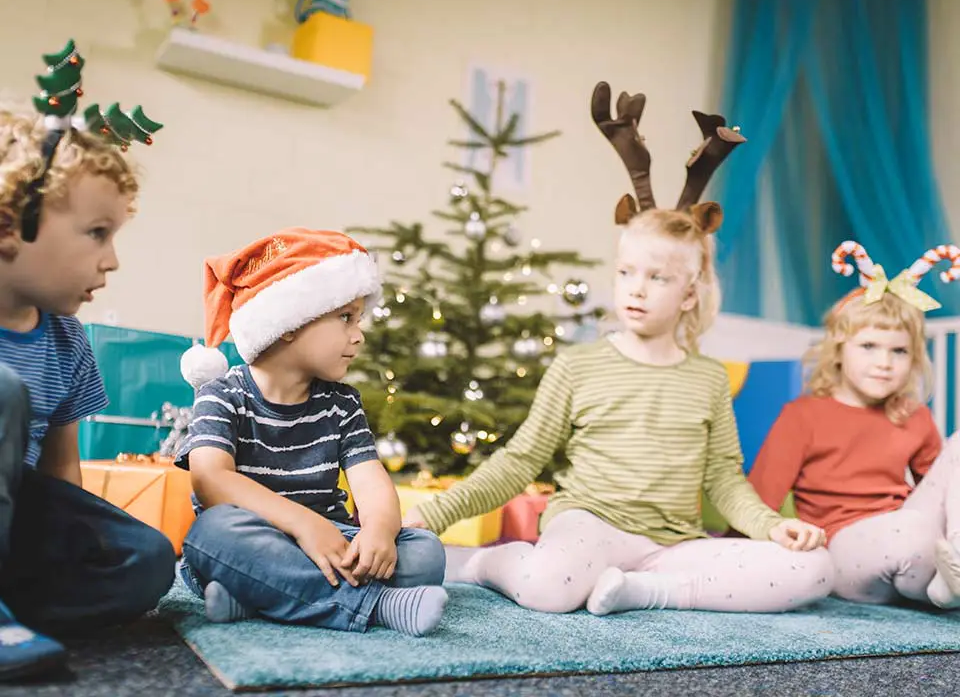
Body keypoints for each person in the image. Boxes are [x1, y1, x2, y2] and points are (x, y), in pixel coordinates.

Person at [402, 82, 833, 616]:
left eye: (657, 277)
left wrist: (772, 527)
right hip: (589, 525)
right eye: (627, 272)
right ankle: (482, 563)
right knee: (548, 589)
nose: (636, 289)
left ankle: (645, 591)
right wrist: (437, 514)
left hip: (672, 547)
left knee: (813, 569)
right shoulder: (578, 365)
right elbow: (521, 459)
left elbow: (724, 479)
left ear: (689, 294)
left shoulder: (708, 378)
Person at [175, 228, 448, 636]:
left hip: (333, 541)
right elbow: (211, 480)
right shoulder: (222, 395)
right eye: (346, 317)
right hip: (256, 542)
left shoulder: (342, 403)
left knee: (426, 553)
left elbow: (371, 483)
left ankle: (260, 597)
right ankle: (377, 606)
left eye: (358, 319)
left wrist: (379, 531)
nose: (359, 334)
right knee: (210, 535)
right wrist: (303, 525)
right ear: (289, 322)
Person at [0, 39, 174, 679]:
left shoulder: (68, 342)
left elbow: (59, 477)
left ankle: (16, 614)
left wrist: (72, 549)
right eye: (97, 234)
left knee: (147, 559)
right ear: (10, 225)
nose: (113, 260)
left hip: (17, 522)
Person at [749, 240, 960, 608]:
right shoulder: (802, 416)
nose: (884, 363)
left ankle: (951, 575)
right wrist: (732, 549)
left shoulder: (914, 416)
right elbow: (760, 500)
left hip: (912, 539)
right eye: (869, 346)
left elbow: (941, 494)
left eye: (899, 351)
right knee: (912, 532)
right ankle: (942, 584)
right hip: (843, 549)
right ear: (838, 350)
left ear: (913, 359)